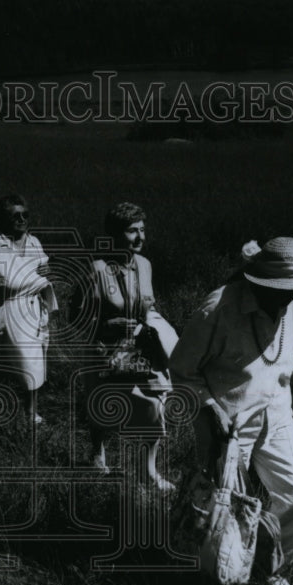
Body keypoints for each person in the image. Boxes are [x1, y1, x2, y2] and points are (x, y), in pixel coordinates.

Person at [169, 237, 293, 585]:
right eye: (287, 289)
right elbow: (181, 373)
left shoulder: (286, 304)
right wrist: (210, 410)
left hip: (276, 415)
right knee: (220, 510)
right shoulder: (217, 310)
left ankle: (269, 568)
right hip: (227, 425)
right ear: (261, 281)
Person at [79, 202, 178, 491]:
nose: (140, 237)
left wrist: (150, 328)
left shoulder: (145, 265)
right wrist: (108, 327)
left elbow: (149, 303)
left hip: (141, 347)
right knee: (101, 407)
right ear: (114, 234)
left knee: (155, 404)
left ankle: (148, 471)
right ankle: (97, 453)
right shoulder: (96, 270)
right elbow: (78, 317)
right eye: (132, 231)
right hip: (104, 350)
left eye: (143, 230)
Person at [0, 194, 56, 425]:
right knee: (18, 362)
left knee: (36, 360)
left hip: (34, 309)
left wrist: (44, 282)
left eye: (25, 215)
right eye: (15, 216)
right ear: (2, 219)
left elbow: (44, 268)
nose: (21, 220)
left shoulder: (34, 242)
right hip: (7, 310)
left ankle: (29, 411)